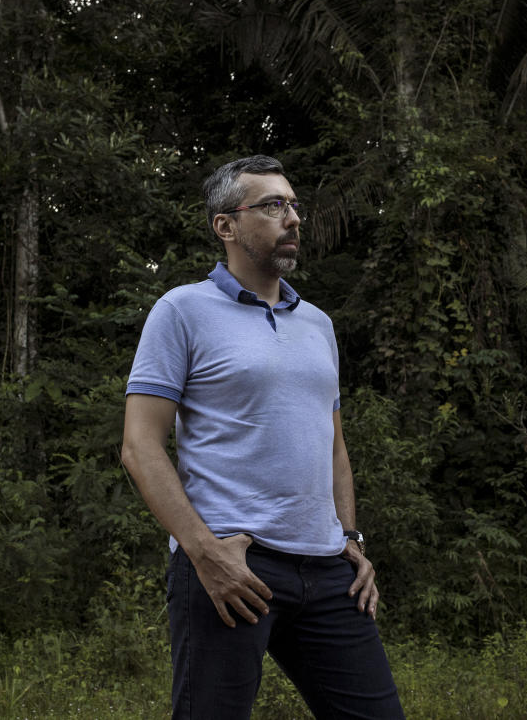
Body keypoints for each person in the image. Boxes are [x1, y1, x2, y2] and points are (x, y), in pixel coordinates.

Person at [121, 155, 405, 719]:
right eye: (273, 206)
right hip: (233, 565)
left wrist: (351, 536)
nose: (292, 217)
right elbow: (140, 446)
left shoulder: (318, 324)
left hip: (328, 573)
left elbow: (333, 445)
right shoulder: (181, 311)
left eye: (294, 205)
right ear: (226, 225)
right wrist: (204, 553)